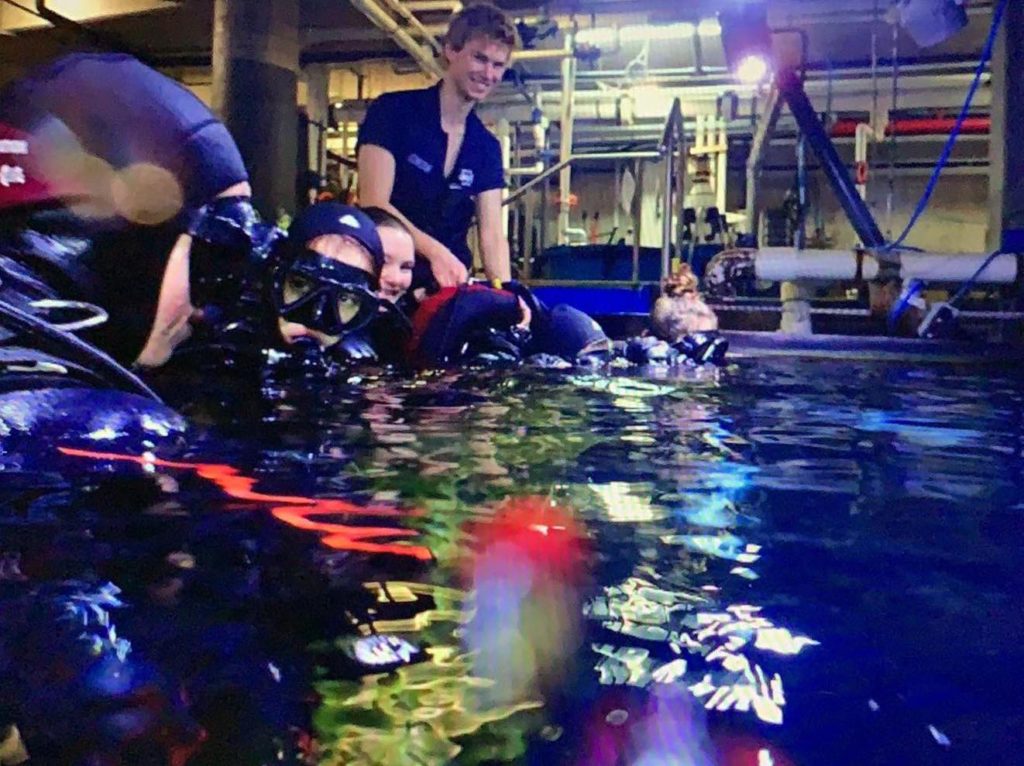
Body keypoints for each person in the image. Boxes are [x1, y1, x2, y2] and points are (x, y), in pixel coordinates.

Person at [356, 3, 517, 291]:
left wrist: (507, 293)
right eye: (479, 58)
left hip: (445, 287)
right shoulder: (392, 112)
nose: (488, 73)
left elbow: (492, 235)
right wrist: (436, 252)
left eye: (498, 65)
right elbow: (373, 203)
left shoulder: (487, 147)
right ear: (451, 50)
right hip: (383, 278)